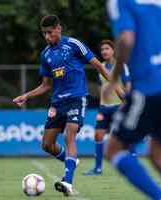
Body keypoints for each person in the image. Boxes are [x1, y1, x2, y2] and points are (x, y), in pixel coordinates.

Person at [13, 14, 115, 196]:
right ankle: (71, 161)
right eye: (44, 33)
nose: (47, 37)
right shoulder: (46, 55)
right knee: (46, 144)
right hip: (57, 102)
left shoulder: (74, 45)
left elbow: (99, 65)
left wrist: (117, 87)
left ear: (58, 29)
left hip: (77, 98)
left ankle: (67, 181)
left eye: (50, 32)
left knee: (70, 134)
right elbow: (45, 85)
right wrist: (26, 95)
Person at [106, 0, 161, 200]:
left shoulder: (120, 2)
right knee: (160, 154)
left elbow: (126, 40)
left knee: (114, 149)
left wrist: (115, 76)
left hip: (148, 87)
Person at [83, 39, 131, 176]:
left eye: (107, 49)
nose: (104, 51)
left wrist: (128, 103)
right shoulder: (101, 67)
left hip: (119, 107)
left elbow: (128, 86)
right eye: (102, 49)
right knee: (98, 135)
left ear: (113, 51)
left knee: (124, 137)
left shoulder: (121, 66)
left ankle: (132, 163)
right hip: (104, 108)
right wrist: (100, 106)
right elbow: (102, 88)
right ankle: (98, 169)